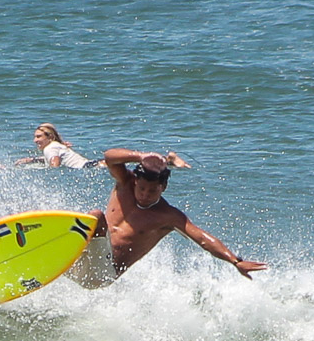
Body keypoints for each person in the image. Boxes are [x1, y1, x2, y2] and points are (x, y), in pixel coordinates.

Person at [72, 147, 267, 288]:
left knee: (95, 216)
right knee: (87, 219)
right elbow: (110, 156)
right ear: (135, 182)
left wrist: (235, 261)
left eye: (152, 191)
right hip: (81, 260)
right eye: (141, 188)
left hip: (102, 274)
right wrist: (141, 156)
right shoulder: (125, 183)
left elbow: (201, 238)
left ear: (163, 188)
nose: (145, 195)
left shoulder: (167, 216)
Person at [16, 123, 100, 169]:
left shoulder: (49, 148)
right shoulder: (55, 146)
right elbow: (50, 158)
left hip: (88, 168)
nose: (35, 140)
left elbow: (55, 164)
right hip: (93, 164)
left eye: (39, 137)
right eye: (35, 137)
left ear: (50, 137)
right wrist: (31, 160)